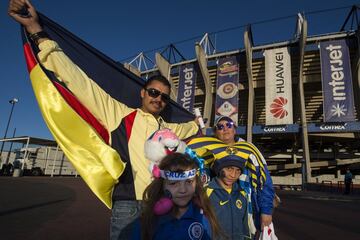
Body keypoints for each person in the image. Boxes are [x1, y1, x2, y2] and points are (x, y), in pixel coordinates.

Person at [8, 1, 200, 239]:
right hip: (128, 205)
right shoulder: (118, 113)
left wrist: (198, 121)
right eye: (153, 92)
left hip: (162, 205)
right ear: (143, 92)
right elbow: (78, 80)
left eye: (164, 97)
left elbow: (193, 128)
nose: (158, 99)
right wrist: (36, 30)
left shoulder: (169, 129)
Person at [187, 115, 275, 235]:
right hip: (216, 202)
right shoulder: (206, 146)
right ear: (215, 131)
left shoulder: (249, 148)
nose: (225, 128)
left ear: (235, 129)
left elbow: (264, 180)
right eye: (220, 126)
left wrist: (266, 211)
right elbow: (185, 159)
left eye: (229, 125)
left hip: (245, 203)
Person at [121, 152, 223, 239]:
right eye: (174, 183)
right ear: (162, 185)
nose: (183, 190)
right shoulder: (148, 221)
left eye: (189, 182)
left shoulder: (203, 218)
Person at [206, 153, 251, 239]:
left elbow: (245, 226)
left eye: (238, 170)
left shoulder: (242, 194)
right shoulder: (206, 193)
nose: (233, 175)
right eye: (229, 169)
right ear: (219, 169)